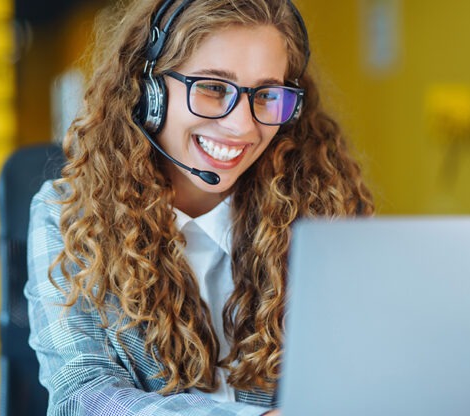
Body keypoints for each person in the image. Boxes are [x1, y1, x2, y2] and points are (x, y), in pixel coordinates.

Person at [25, 0, 374, 414]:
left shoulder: (322, 209)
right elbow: (83, 396)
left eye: (266, 94)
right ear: (148, 91)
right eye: (212, 88)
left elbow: (361, 372)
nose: (243, 126)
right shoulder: (70, 215)